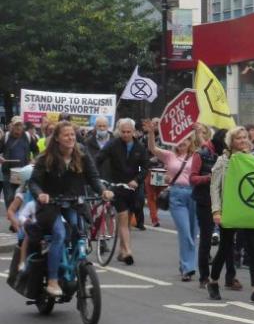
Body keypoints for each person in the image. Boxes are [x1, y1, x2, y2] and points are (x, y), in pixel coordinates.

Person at [28, 122, 114, 297]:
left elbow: (93, 177)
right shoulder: (46, 158)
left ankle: (75, 266)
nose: (70, 138)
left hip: (75, 202)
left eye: (73, 135)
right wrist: (41, 194)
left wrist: (103, 191)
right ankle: (52, 280)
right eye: (66, 135)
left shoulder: (82, 154)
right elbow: (34, 182)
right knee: (59, 234)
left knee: (78, 230)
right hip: (51, 205)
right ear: (57, 138)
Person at [208, 126, 254, 304]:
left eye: (244, 137)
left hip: (248, 209)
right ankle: (213, 281)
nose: (242, 140)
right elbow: (215, 188)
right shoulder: (222, 161)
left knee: (253, 248)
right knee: (225, 247)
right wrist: (216, 210)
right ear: (231, 142)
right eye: (238, 138)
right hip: (229, 209)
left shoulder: (252, 160)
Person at [144, 122, 200, 281]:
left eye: (186, 140)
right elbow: (152, 149)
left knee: (193, 233)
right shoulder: (169, 155)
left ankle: (185, 264)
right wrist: (151, 133)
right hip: (176, 194)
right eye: (179, 140)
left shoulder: (197, 155)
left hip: (194, 194)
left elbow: (208, 150)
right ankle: (188, 268)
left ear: (190, 141)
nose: (182, 143)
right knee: (185, 232)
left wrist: (198, 131)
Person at [95, 118, 149, 265]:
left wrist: (137, 179)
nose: (125, 134)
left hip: (133, 188)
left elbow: (143, 167)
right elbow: (98, 159)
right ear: (119, 131)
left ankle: (121, 250)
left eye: (128, 132)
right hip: (117, 186)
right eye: (123, 132)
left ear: (133, 132)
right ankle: (128, 251)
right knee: (123, 217)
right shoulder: (113, 144)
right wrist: (96, 177)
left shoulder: (139, 148)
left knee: (127, 220)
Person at [195, 127, 230, 288]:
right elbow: (192, 178)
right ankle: (204, 276)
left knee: (228, 241)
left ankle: (230, 276)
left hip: (226, 201)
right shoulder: (201, 154)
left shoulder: (229, 157)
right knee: (206, 239)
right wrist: (208, 178)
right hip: (205, 201)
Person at [1, 116, 38, 208]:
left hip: (23, 172)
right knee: (9, 197)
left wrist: (34, 160)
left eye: (20, 125)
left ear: (23, 126)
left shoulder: (28, 137)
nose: (18, 127)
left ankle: (16, 213)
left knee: (20, 197)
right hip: (8, 173)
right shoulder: (6, 137)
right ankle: (11, 214)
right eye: (16, 125)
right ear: (11, 126)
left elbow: (36, 151)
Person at [141, 118, 166, 229]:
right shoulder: (145, 138)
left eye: (158, 123)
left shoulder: (165, 138)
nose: (156, 125)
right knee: (151, 195)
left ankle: (155, 214)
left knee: (159, 196)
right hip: (149, 169)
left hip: (161, 171)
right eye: (154, 123)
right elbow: (141, 153)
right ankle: (154, 219)